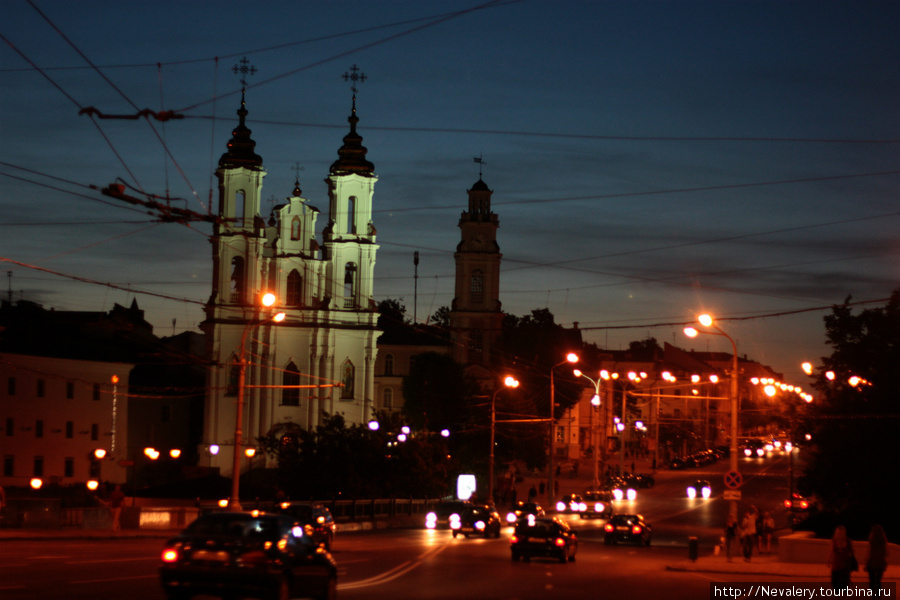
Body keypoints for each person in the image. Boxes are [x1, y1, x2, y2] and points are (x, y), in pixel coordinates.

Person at [826, 525, 857, 590]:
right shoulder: (848, 541)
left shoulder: (834, 541)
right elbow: (852, 552)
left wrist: (828, 560)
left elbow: (831, 552)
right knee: (843, 583)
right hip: (845, 565)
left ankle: (838, 593)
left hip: (836, 564)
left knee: (835, 582)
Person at [865, 524, 888, 593]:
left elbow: (868, 553)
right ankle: (878, 593)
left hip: (872, 562)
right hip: (880, 562)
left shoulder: (871, 541)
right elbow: (887, 553)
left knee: (872, 580)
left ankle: (872, 594)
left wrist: (866, 562)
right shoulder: (884, 541)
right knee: (878, 580)